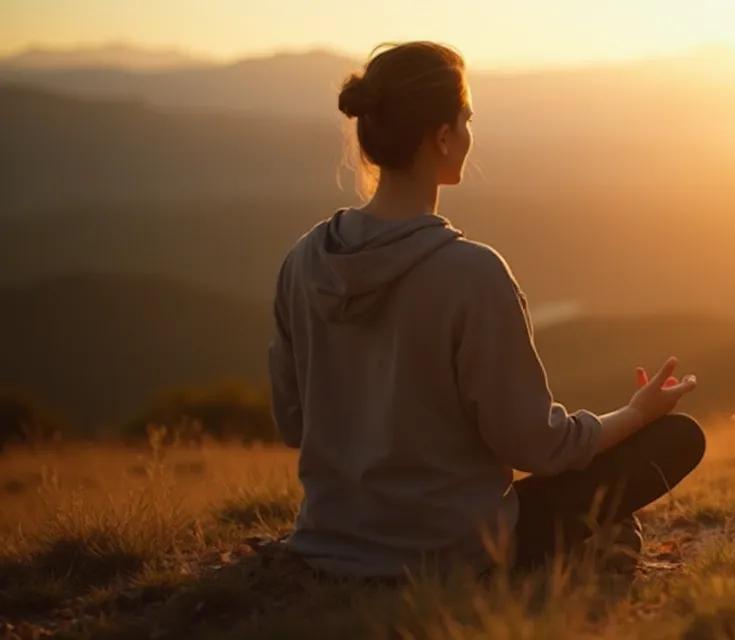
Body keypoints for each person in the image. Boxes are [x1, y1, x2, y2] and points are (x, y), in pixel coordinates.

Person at [266, 41, 705, 579]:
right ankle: (597, 539)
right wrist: (636, 415)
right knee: (678, 439)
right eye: (466, 119)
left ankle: (601, 534)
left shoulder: (302, 262)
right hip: (455, 551)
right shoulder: (471, 274)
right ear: (442, 137)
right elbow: (538, 446)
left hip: (328, 541)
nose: (470, 134)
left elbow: (293, 423)